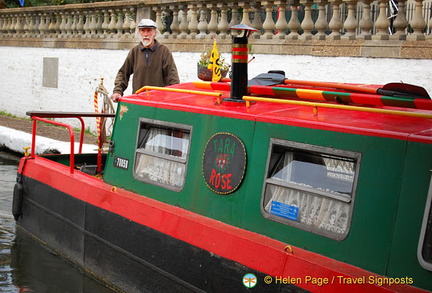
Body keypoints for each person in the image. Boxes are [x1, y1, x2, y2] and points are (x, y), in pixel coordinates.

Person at [111, 19, 180, 102]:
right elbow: (123, 73)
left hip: (159, 102)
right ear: (139, 33)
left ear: (155, 33)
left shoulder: (164, 51)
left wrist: (175, 96)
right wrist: (118, 91)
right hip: (138, 101)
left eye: (149, 31)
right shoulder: (134, 51)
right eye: (143, 31)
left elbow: (172, 76)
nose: (145, 34)